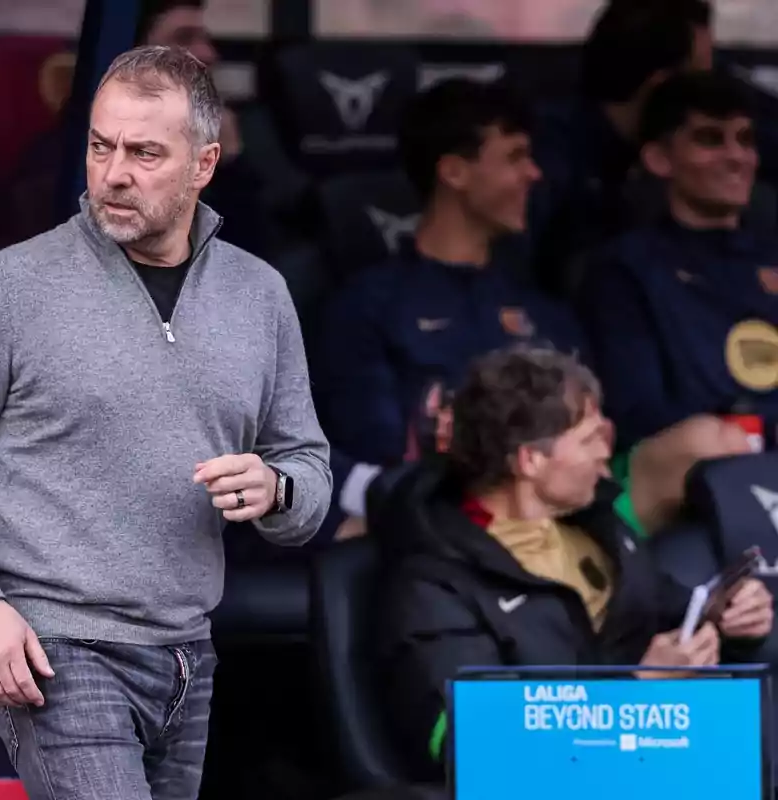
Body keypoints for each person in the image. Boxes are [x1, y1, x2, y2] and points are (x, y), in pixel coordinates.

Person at [0, 45, 331, 800]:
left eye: (145, 152)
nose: (114, 172)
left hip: (190, 651)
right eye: (101, 145)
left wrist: (277, 487)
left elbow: (308, 468)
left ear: (205, 164)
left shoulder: (260, 296)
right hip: (56, 647)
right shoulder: (7, 288)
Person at [370, 345, 774, 784]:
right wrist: (635, 694)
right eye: (589, 439)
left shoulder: (596, 531)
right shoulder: (432, 584)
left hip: (650, 770)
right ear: (531, 460)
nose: (607, 453)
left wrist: (728, 616)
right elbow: (474, 749)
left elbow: (671, 608)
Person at [315, 79, 583, 532]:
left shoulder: (544, 311)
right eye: (515, 157)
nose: (534, 174)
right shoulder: (368, 307)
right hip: (433, 534)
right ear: (455, 172)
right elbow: (375, 458)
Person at [579, 71, 778, 449]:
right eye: (710, 139)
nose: (736, 156)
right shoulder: (626, 269)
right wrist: (761, 432)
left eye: (745, 140)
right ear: (658, 158)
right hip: (697, 481)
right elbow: (639, 414)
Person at [530, 0, 715, 292]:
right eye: (701, 82)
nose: (710, 101)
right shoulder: (544, 155)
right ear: (661, 87)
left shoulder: (653, 156)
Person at [136, 0, 271, 259]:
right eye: (184, 39)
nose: (208, 54)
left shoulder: (239, 134)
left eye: (205, 40)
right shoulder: (79, 149)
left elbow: (248, 264)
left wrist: (230, 166)